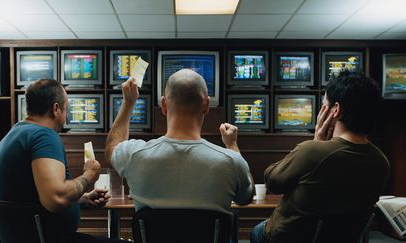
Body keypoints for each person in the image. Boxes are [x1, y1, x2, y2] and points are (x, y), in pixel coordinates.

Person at [250, 71, 390, 243]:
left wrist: (316, 142)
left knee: (257, 231)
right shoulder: (381, 162)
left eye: (324, 105)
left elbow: (272, 182)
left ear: (335, 110)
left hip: (287, 238)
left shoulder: (313, 151)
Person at [0, 79, 127, 243]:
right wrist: (88, 175)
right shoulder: (43, 136)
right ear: (56, 109)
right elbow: (56, 199)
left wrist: (82, 198)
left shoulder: (15, 133)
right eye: (66, 108)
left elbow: (34, 197)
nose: (66, 115)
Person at [105, 69, 254, 215]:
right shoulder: (231, 161)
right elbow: (246, 198)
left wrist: (128, 103)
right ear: (207, 105)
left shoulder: (134, 154)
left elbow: (112, 147)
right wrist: (232, 145)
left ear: (163, 105)